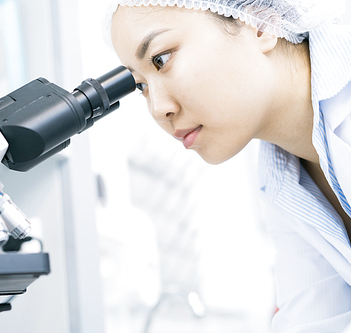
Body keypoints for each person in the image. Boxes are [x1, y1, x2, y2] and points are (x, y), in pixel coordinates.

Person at [105, 0, 351, 332]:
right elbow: (319, 317)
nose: (158, 108)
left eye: (161, 60)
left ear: (260, 24)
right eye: (141, 86)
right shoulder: (284, 175)